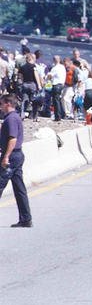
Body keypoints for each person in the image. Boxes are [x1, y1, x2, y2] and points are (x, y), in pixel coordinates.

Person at [0, 94, 32, 227]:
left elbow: (12, 139)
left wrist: (6, 156)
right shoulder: (12, 118)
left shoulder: (11, 119)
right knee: (19, 188)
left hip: (12, 157)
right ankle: (26, 218)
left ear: (8, 104)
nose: (0, 106)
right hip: (16, 156)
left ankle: (26, 218)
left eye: (1, 104)